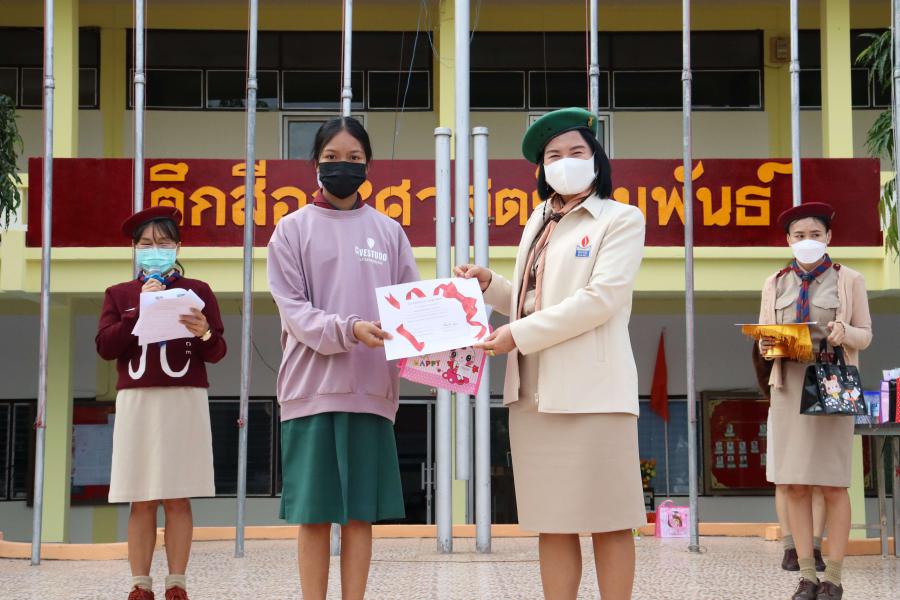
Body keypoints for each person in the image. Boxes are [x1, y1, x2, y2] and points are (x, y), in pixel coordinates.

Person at [457, 107, 647, 600]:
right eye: (553, 156)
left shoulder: (620, 219)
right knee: (553, 522)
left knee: (609, 520)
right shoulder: (538, 221)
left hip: (594, 394)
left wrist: (516, 335)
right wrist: (490, 284)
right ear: (542, 169)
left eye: (576, 151)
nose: (565, 162)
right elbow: (533, 299)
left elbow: (599, 300)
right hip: (534, 392)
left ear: (596, 158)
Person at [267, 116, 419, 600]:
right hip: (311, 392)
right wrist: (349, 329)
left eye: (354, 158)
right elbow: (294, 312)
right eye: (332, 157)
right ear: (315, 163)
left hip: (372, 392)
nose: (343, 166)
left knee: (359, 516)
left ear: (368, 165)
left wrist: (454, 325)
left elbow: (412, 307)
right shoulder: (291, 230)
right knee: (313, 516)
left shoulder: (389, 232)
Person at [97, 206, 227, 600]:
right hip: (138, 399)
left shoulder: (197, 291)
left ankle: (177, 583)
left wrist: (204, 332)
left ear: (178, 247)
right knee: (141, 496)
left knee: (178, 495)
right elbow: (106, 347)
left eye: (164, 243)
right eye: (147, 244)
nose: (156, 251)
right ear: (135, 249)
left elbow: (217, 351)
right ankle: (140, 583)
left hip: (184, 398)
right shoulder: (119, 294)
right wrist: (139, 309)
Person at [758, 202, 872, 600]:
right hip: (788, 385)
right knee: (794, 485)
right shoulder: (774, 282)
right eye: (800, 235)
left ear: (829, 237)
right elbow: (765, 335)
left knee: (833, 484)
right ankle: (807, 576)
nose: (808, 241)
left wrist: (844, 333)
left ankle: (833, 578)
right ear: (788, 240)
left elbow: (865, 334)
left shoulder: (849, 279)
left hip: (832, 383)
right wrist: (767, 343)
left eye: (815, 234)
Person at [754, 344, 828, 572]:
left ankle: (815, 547)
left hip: (818, 397)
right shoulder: (774, 326)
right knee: (784, 479)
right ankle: (790, 548)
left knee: (818, 481)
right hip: (784, 396)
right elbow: (761, 359)